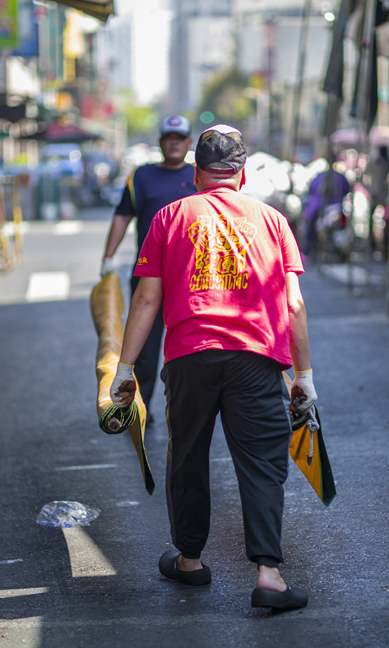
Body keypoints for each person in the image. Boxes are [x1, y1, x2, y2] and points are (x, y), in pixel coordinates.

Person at [109, 124, 317, 610]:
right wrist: (303, 376)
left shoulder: (170, 217)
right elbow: (294, 305)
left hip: (189, 357)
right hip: (256, 360)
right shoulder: (272, 221)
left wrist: (125, 367)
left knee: (188, 457)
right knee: (262, 465)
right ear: (241, 174)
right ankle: (268, 576)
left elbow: (146, 298)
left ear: (197, 173)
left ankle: (189, 561)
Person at [101, 115, 198, 420]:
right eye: (168, 137)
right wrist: (108, 259)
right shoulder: (140, 177)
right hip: (150, 274)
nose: (174, 142)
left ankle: (191, 406)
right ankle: (137, 407)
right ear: (160, 142)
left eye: (179, 137)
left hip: (192, 276)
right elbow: (121, 216)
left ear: (188, 142)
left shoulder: (200, 176)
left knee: (193, 344)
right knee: (144, 343)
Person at [302, 156, 351, 257]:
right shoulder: (337, 176)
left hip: (324, 207)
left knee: (309, 224)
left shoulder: (322, 176)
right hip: (328, 207)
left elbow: (311, 189)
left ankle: (307, 251)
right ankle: (308, 251)